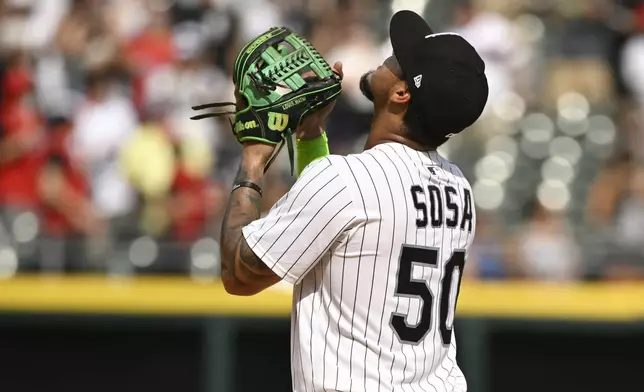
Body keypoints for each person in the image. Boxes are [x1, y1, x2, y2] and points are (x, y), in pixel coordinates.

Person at [218, 10, 488, 392]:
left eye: (398, 59)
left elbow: (237, 273)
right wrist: (311, 135)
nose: (388, 56)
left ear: (401, 93)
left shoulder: (347, 182)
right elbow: (328, 226)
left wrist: (253, 157)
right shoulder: (459, 188)